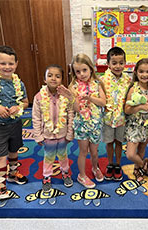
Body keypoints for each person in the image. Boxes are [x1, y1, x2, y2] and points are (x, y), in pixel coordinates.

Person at [0, 45, 29, 200]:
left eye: (10, 63)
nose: (7, 67)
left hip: (15, 124)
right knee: (0, 156)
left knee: (14, 150)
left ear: (16, 64)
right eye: (3, 63)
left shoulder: (19, 83)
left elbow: (26, 102)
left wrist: (18, 107)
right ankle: (1, 187)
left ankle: (13, 174)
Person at [58, 53, 106, 188]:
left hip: (95, 123)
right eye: (77, 71)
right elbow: (77, 109)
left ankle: (95, 168)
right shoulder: (73, 86)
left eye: (84, 70)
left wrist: (90, 98)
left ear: (91, 68)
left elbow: (103, 102)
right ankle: (82, 176)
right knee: (84, 151)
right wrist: (71, 98)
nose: (82, 74)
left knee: (95, 152)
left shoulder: (97, 83)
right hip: (81, 125)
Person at [32, 64, 74, 192]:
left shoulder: (66, 96)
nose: (53, 79)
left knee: (63, 155)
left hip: (62, 134)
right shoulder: (39, 97)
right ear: (44, 79)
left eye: (57, 76)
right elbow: (36, 117)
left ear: (62, 79)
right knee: (48, 157)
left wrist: (69, 133)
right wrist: (38, 135)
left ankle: (65, 173)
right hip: (47, 135)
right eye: (50, 76)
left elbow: (71, 115)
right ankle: (46, 176)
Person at [124, 58, 148, 182]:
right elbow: (127, 109)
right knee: (130, 154)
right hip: (134, 125)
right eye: (141, 71)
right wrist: (140, 106)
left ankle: (137, 170)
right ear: (136, 72)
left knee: (141, 149)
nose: (144, 75)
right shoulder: (133, 89)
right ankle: (143, 164)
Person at [100, 46, 132, 181]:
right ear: (108, 64)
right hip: (107, 118)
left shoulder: (128, 80)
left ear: (125, 63)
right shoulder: (102, 80)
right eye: (114, 63)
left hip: (122, 118)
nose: (118, 66)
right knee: (109, 142)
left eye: (121, 63)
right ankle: (110, 163)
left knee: (119, 142)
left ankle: (117, 164)